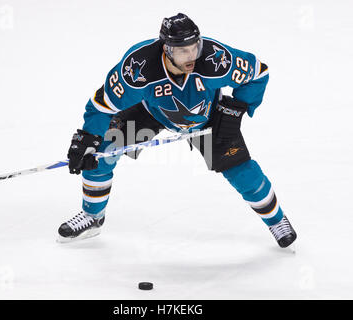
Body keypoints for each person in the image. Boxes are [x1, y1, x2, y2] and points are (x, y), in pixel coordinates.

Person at [57, 13, 297, 248]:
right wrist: (88, 138)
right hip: (151, 112)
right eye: (183, 50)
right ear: (166, 48)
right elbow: (102, 106)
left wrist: (234, 110)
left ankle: (277, 221)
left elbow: (258, 74)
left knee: (241, 170)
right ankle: (92, 217)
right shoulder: (138, 67)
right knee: (103, 151)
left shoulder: (215, 58)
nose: (192, 55)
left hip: (208, 117)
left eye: (195, 47)